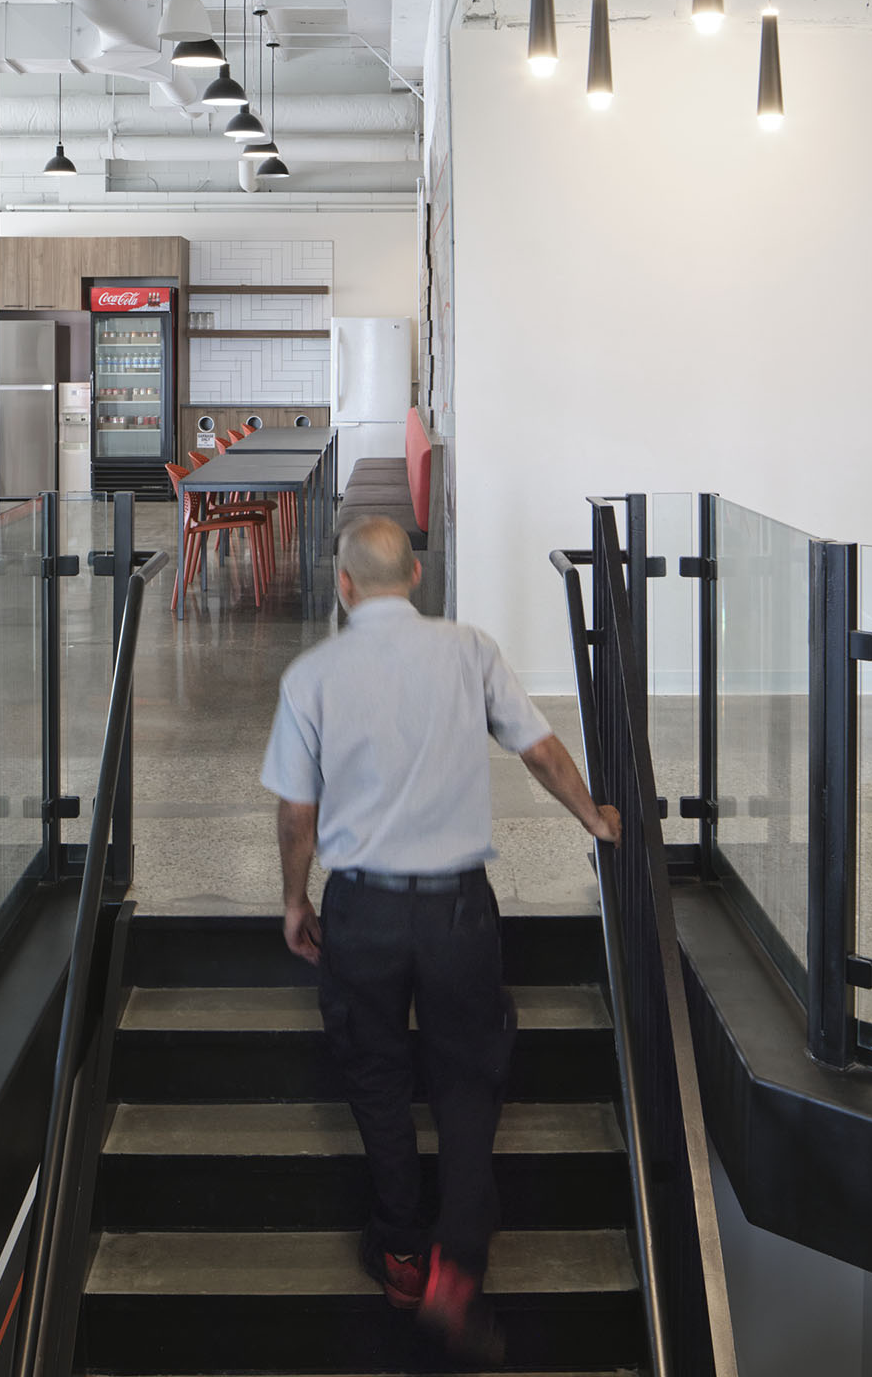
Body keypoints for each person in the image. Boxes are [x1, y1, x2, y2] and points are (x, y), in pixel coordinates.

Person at [260, 516, 620, 1366]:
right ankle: (459, 1265)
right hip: (460, 911)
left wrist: (293, 900)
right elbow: (539, 749)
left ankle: (399, 1251)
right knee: (466, 1082)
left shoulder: (312, 675)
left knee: (378, 1076)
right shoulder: (470, 650)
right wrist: (594, 817)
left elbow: (295, 813)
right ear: (414, 574)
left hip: (363, 913)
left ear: (343, 586)